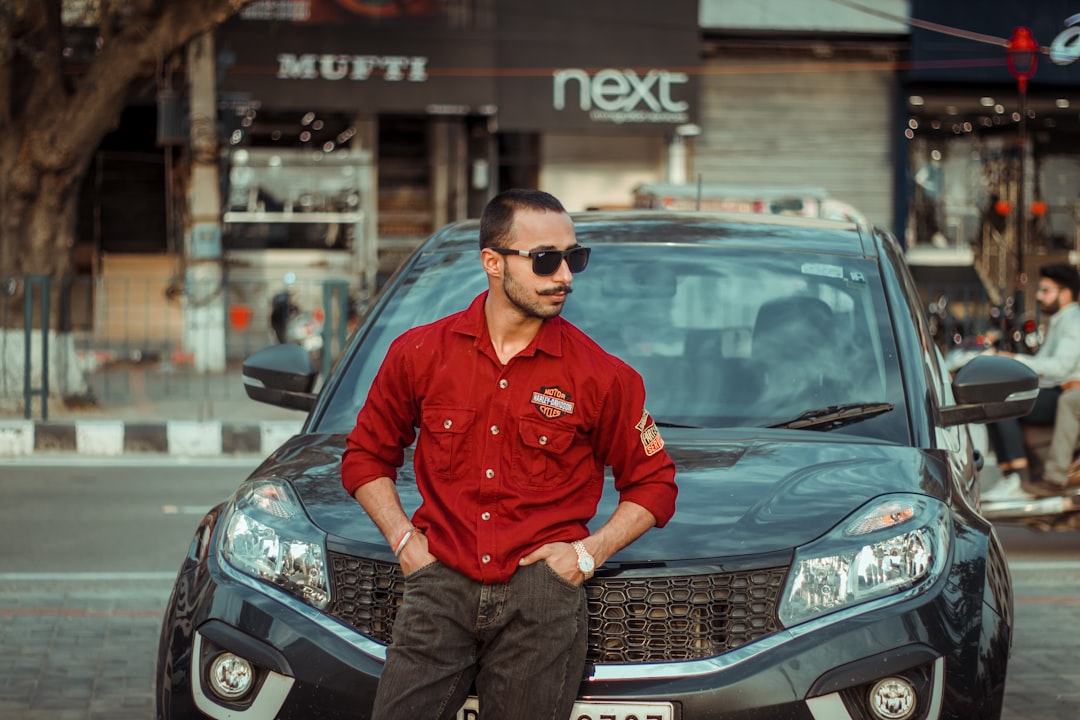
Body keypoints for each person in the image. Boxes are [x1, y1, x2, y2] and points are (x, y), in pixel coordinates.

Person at [340, 188, 679, 720]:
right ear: (493, 263)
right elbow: (364, 456)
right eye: (546, 259)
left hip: (542, 601)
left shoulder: (602, 376)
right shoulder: (420, 354)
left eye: (574, 257)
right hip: (438, 586)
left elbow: (655, 484)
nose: (565, 275)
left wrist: (588, 554)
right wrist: (403, 539)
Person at [982, 263, 1080, 500]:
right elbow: (1043, 365)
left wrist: (1015, 359)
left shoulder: (1073, 321)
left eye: (1046, 291)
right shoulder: (1061, 320)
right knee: (994, 404)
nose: (1038, 296)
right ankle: (1014, 477)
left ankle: (1019, 479)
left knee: (1003, 406)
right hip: (1058, 389)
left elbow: (1060, 367)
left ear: (1065, 293)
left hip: (1066, 391)